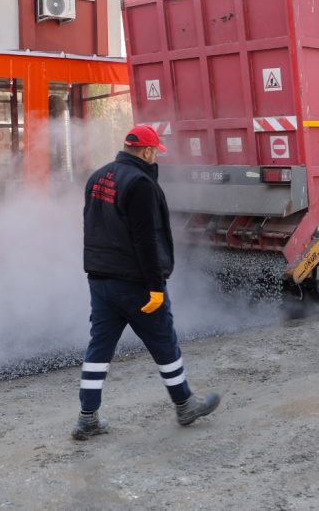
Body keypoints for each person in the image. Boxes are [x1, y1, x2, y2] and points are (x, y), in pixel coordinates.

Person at [73, 124, 220, 440]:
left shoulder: (97, 177)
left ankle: (87, 419)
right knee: (164, 342)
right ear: (147, 151)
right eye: (155, 152)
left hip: (100, 281)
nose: (156, 158)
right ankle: (185, 405)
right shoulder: (140, 183)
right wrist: (155, 286)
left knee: (99, 348)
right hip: (136, 283)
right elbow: (146, 240)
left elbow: (91, 227)